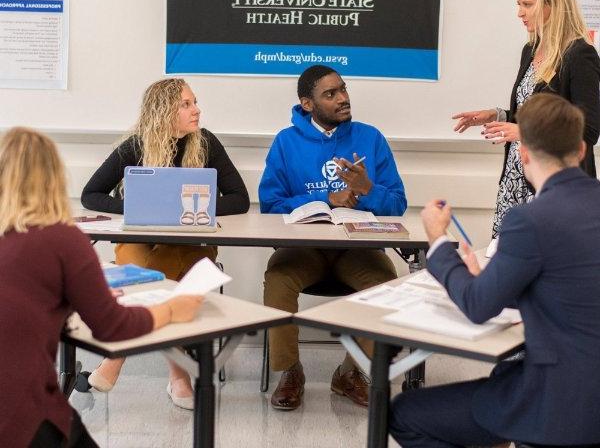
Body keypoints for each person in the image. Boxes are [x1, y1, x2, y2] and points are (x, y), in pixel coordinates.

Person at [390, 93, 600, 447]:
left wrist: (438, 240)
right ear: (581, 150)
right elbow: (570, 284)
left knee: (404, 414)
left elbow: (477, 305)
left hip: (559, 400)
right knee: (503, 374)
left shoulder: (529, 219)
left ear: (524, 153)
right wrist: (489, 278)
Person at [0, 128, 204, 448]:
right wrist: (171, 308)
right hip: (21, 413)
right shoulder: (62, 240)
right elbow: (112, 327)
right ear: (53, 177)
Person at [81, 78, 249, 408]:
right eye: (186, 104)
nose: (196, 109)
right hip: (142, 241)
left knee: (150, 275)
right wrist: (139, 207)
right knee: (139, 263)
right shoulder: (135, 146)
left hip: (191, 245)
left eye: (195, 102)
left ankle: (117, 356)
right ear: (163, 110)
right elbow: (91, 195)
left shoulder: (207, 143)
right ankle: (179, 377)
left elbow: (239, 200)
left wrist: (188, 209)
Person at [259, 65, 407, 410]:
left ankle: (350, 372)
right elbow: (270, 205)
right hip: (303, 248)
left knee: (385, 284)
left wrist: (367, 189)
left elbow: (397, 204)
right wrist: (325, 200)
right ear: (307, 104)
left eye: (343, 89)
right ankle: (290, 371)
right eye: (331, 94)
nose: (343, 98)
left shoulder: (370, 138)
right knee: (278, 279)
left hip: (356, 249)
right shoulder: (286, 142)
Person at [452, 0, 600, 237]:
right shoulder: (530, 50)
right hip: (516, 181)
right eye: (518, 4)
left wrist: (525, 132)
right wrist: (498, 115)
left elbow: (588, 130)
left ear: (551, 4)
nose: (519, 12)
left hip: (556, 189)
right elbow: (534, 116)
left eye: (527, 4)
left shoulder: (580, 55)